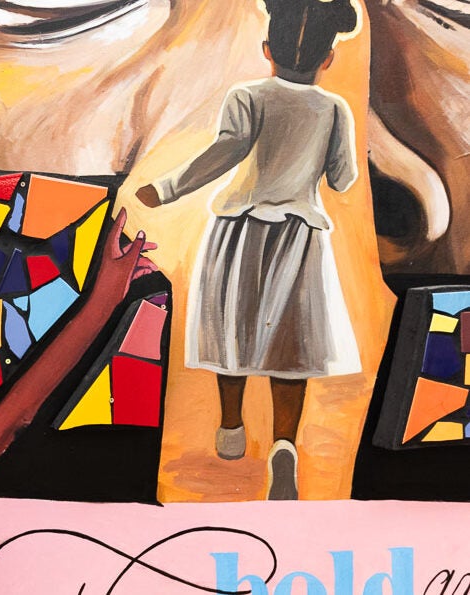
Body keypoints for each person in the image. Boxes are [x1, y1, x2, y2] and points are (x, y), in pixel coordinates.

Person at [136, 0, 362, 500]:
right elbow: (343, 179)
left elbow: (227, 151)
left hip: (240, 228)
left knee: (231, 329)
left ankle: (232, 428)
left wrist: (168, 188)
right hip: (299, 233)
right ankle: (284, 444)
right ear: (327, 59)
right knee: (292, 346)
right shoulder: (333, 109)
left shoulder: (247, 96)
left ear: (267, 51)